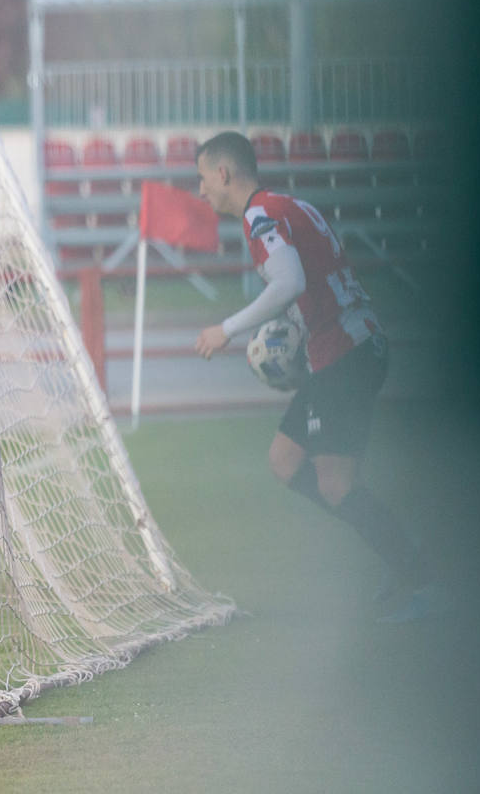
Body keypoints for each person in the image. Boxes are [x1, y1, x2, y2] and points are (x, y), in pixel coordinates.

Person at [192, 131, 429, 622]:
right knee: (285, 461)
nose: (200, 191)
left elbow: (290, 282)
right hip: (348, 350)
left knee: (336, 484)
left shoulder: (260, 215)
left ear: (223, 173)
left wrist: (228, 330)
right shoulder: (288, 204)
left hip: (347, 353)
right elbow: (313, 282)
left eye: (201, 179)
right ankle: (395, 548)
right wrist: (291, 346)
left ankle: (418, 570)